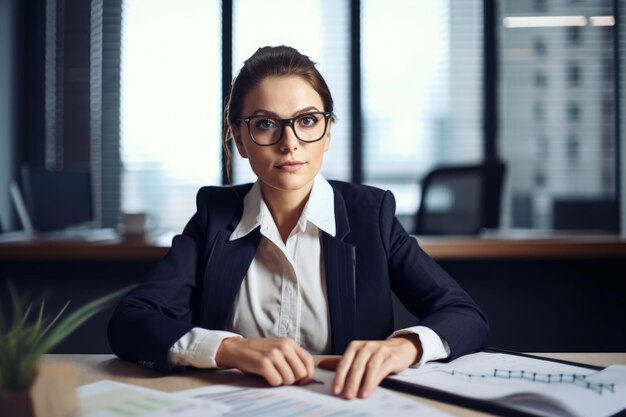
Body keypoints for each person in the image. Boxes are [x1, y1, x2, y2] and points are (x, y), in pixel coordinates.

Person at [108, 45, 489, 400]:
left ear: (327, 134)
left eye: (307, 120)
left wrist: (400, 348)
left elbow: (464, 315)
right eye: (265, 124)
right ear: (240, 139)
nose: (289, 142)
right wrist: (230, 349)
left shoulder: (371, 215)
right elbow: (130, 322)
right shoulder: (214, 216)